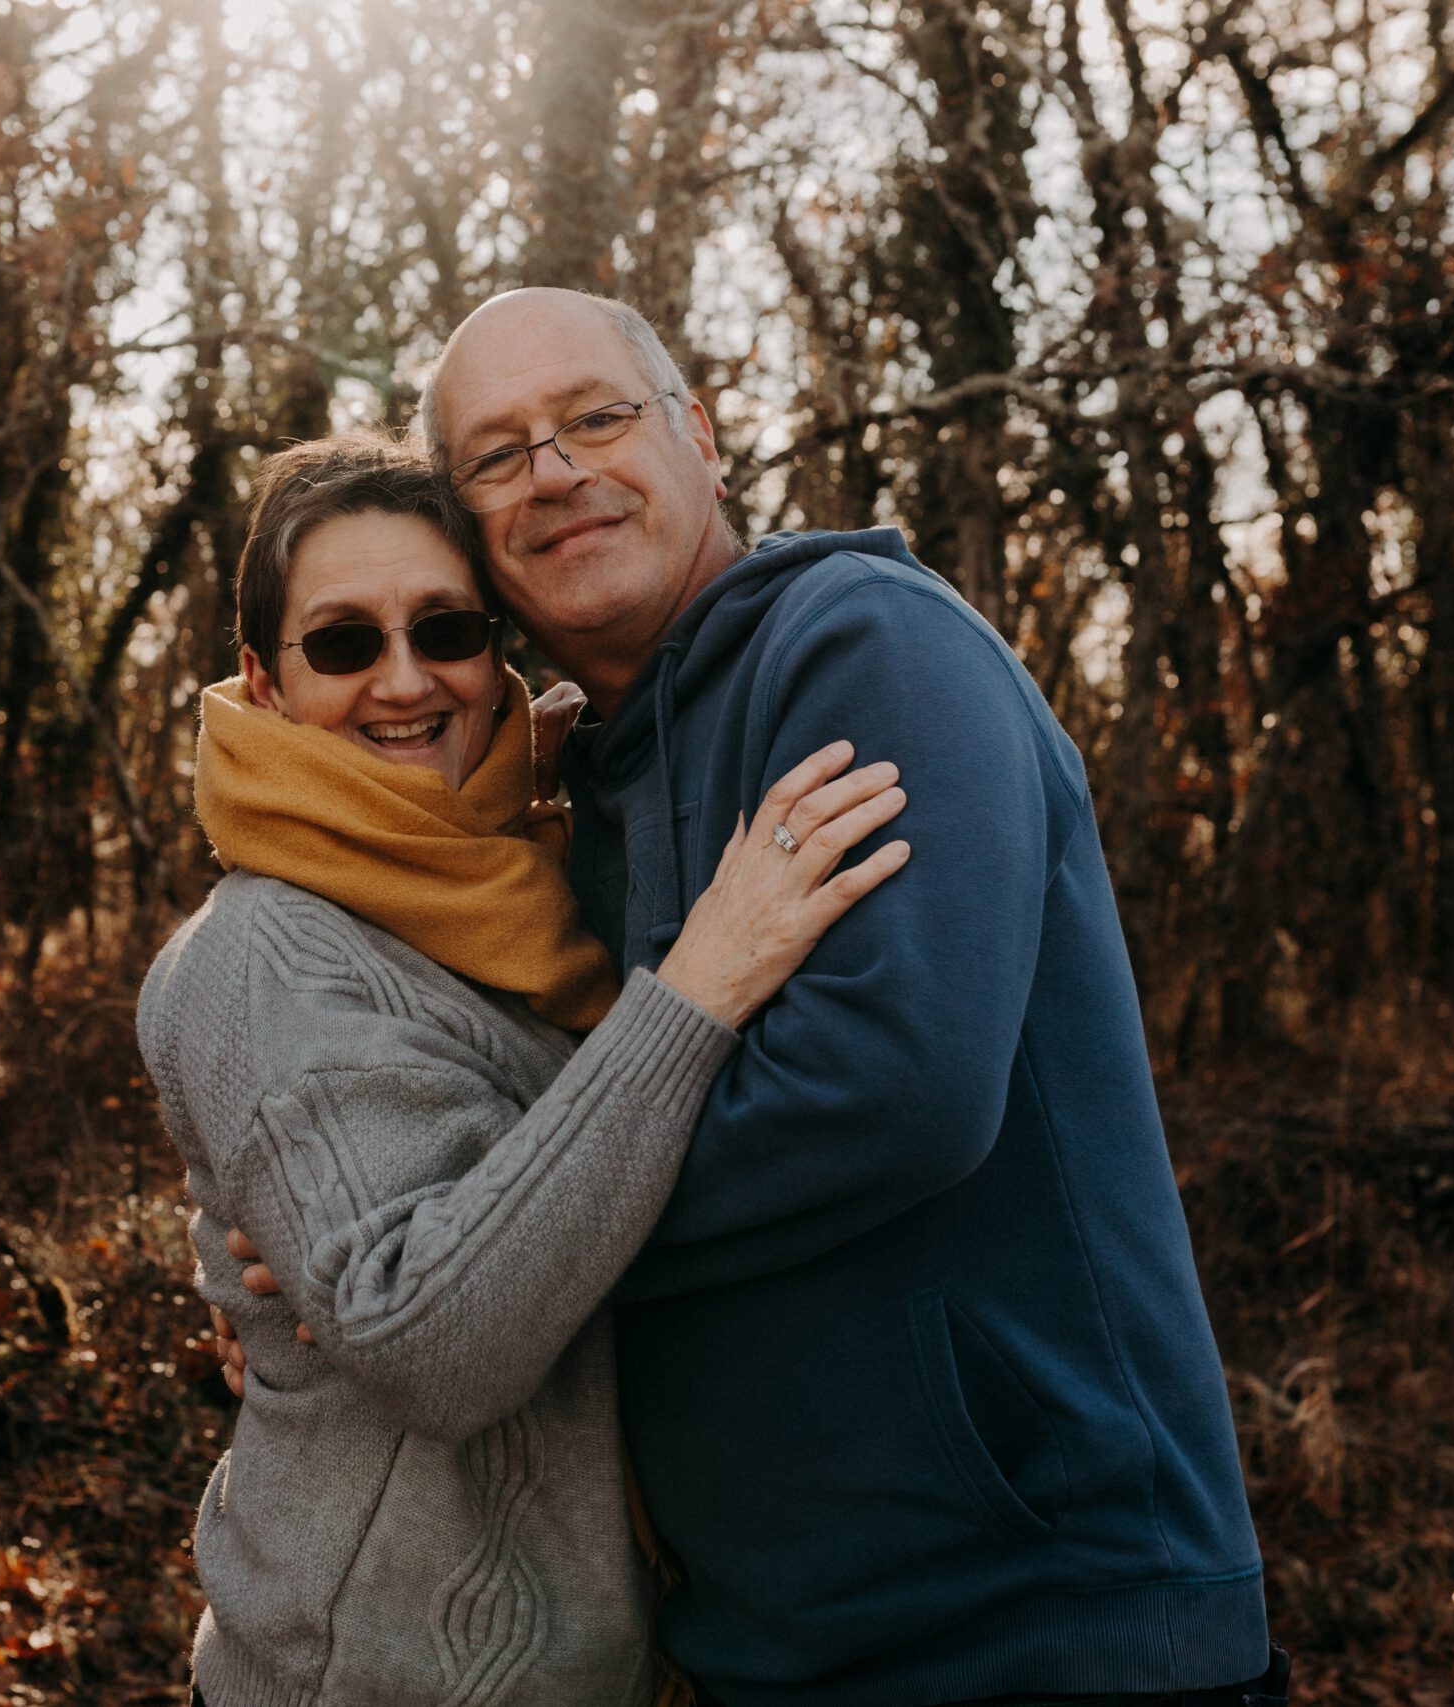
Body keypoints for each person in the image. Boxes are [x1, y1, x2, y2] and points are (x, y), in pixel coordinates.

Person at [374, 286, 1283, 1706]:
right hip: (761, 1647)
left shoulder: (862, 644)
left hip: (1042, 1625)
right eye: (496, 455)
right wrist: (372, 1242)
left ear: (700, 437)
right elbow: (510, 1108)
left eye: (594, 417)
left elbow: (890, 1085)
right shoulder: (564, 795)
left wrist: (482, 1258)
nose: (551, 471)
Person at [133, 433, 910, 1707]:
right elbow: (433, 1342)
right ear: (263, 683)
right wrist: (701, 986)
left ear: (497, 657)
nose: (403, 680)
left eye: (445, 631)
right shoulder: (265, 952)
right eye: (342, 643)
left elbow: (538, 1201)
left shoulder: (512, 888)